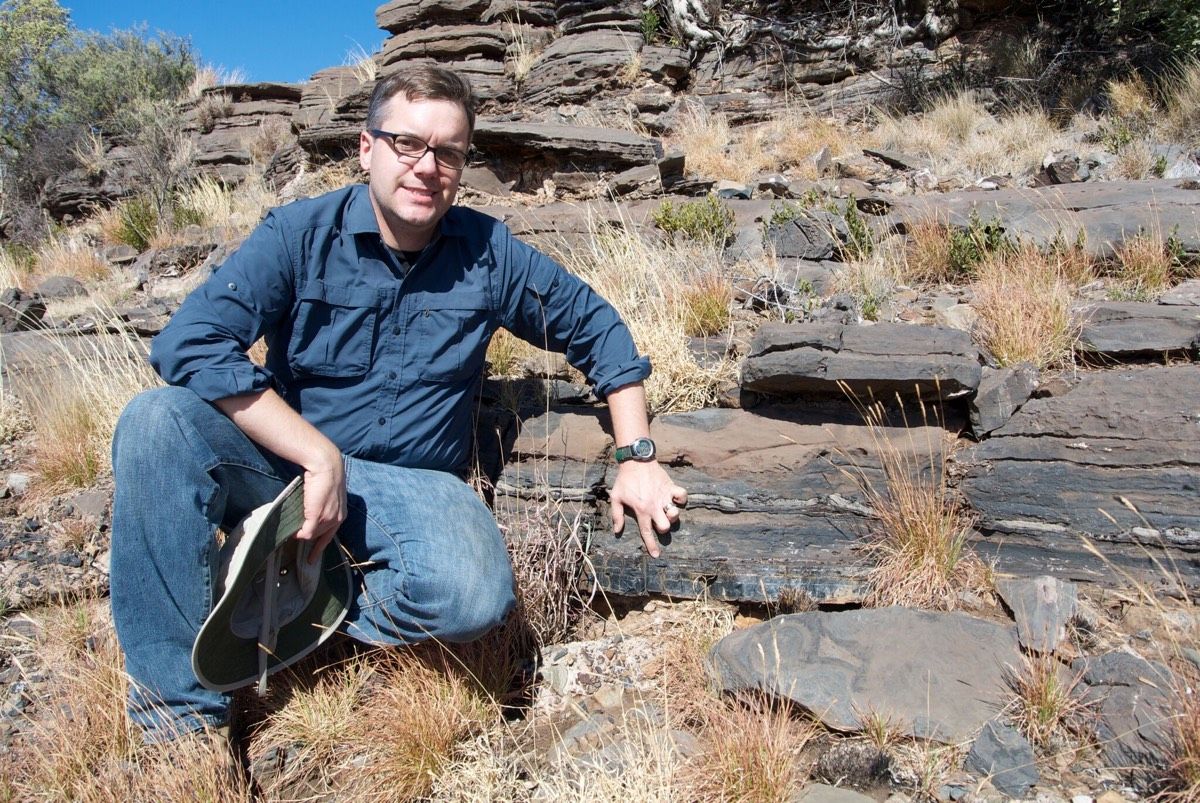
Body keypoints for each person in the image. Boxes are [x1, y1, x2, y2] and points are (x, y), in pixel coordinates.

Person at [109, 65, 687, 743]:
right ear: (366, 147)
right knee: (153, 424)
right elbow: (190, 343)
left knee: (475, 594)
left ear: (464, 163)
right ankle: (177, 731)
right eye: (407, 143)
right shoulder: (298, 235)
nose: (426, 167)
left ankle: (292, 597)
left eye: (447, 152)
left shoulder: (488, 254)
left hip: (409, 490)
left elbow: (597, 328)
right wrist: (317, 454)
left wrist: (636, 452)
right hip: (286, 469)